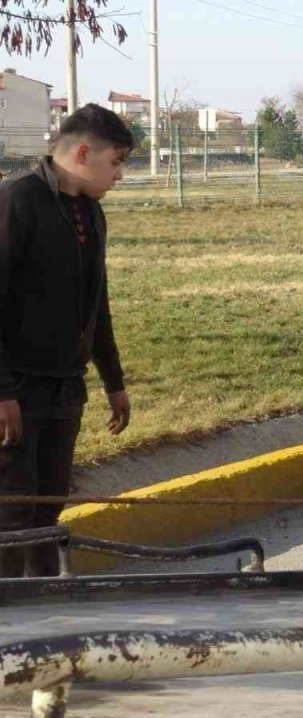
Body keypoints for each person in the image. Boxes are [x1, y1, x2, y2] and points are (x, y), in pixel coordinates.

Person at [0, 105, 133, 577]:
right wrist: (3, 392)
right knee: (13, 513)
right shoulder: (17, 200)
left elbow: (97, 303)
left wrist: (113, 381)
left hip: (65, 388)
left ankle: (43, 604)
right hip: (17, 390)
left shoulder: (91, 213)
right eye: (115, 162)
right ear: (82, 153)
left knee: (47, 510)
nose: (119, 175)